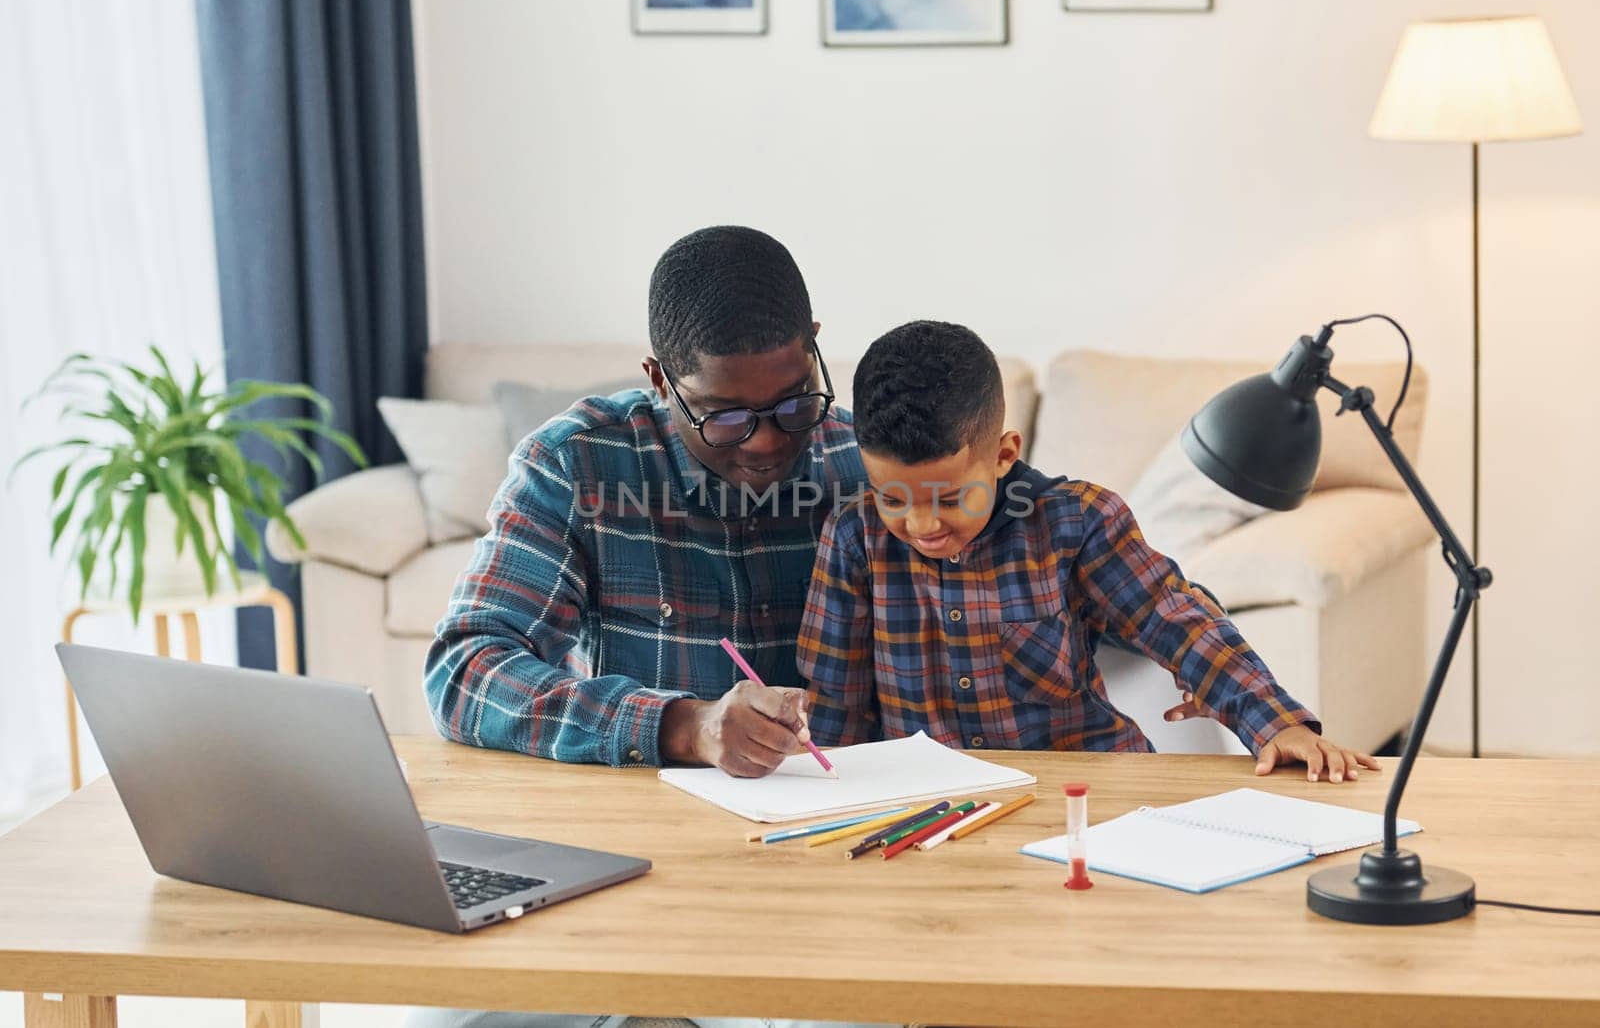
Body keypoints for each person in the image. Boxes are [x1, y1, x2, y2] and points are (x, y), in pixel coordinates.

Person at [410, 226, 891, 1028]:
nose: (769, 441)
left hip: (833, 865)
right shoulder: (579, 463)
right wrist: (683, 724)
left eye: (792, 402)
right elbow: (464, 669)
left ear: (814, 349)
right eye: (728, 418)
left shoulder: (867, 464)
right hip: (642, 860)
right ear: (659, 382)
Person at [797, 319, 1380, 783]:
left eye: (949, 497)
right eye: (892, 497)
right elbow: (835, 706)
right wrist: (828, 791)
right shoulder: (855, 539)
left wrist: (1274, 722)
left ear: (1003, 455)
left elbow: (1177, 621)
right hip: (935, 803)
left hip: (1087, 787)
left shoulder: (1077, 521)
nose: (921, 523)